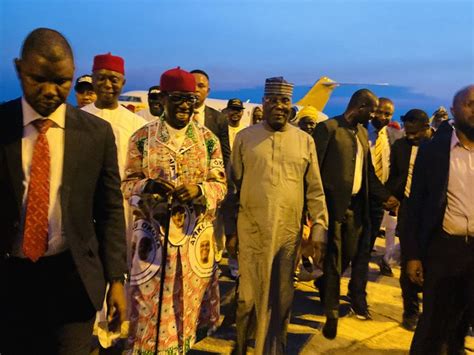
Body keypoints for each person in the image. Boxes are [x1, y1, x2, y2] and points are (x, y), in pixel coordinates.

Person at [0, 27, 127, 355]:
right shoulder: (1, 125)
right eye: (37, 78)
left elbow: (110, 209)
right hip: (11, 279)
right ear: (18, 68)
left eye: (62, 82)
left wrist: (116, 279)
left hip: (72, 279)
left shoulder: (96, 134)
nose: (49, 91)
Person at [122, 67, 227, 354]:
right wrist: (147, 186)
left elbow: (221, 186)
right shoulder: (142, 138)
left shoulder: (208, 141)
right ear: (163, 98)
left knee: (186, 315)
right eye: (178, 98)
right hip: (152, 247)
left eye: (191, 99)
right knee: (146, 313)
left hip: (192, 248)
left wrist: (201, 191)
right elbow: (127, 184)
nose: (185, 105)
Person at [228, 76, 328, 354]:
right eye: (273, 100)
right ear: (264, 103)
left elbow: (315, 191)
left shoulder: (305, 141)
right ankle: (240, 346)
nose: (279, 106)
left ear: (290, 105)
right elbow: (231, 188)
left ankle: (273, 350)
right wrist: (230, 231)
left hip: (287, 235)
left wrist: (319, 232)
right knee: (247, 299)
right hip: (251, 231)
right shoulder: (245, 139)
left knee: (281, 299)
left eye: (284, 101)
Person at [312, 89, 399, 339]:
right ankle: (331, 311)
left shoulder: (361, 132)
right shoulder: (328, 128)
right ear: (360, 107)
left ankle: (325, 283)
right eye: (371, 110)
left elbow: (369, 172)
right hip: (330, 206)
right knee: (333, 256)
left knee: (348, 255)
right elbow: (314, 169)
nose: (373, 116)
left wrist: (386, 197)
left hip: (356, 209)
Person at [405, 85, 474, 354]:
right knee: (433, 324)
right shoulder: (433, 151)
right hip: (444, 249)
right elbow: (415, 207)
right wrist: (412, 255)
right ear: (454, 110)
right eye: (470, 104)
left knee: (461, 325)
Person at [385, 109, 432, 331]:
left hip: (432, 213)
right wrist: (392, 195)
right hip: (408, 211)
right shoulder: (400, 147)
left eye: (413, 129)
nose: (408, 133)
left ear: (425, 127)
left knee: (433, 264)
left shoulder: (437, 148)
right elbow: (396, 175)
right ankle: (410, 311)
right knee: (408, 262)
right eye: (406, 128)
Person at [82, 53, 147, 179]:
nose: (107, 84)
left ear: (123, 82)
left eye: (114, 80)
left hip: (123, 196)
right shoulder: (78, 118)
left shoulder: (138, 125)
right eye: (101, 78)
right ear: (93, 80)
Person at [368, 97, 404, 276]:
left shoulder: (394, 136)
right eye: (379, 111)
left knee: (390, 228)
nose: (383, 117)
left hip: (385, 194)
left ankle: (386, 261)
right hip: (363, 193)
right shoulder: (360, 132)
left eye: (387, 114)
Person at [190, 69, 231, 166]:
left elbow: (225, 155)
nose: (196, 89)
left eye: (201, 86)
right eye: (192, 85)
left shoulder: (219, 119)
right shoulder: (175, 117)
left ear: (207, 91)